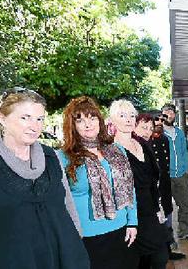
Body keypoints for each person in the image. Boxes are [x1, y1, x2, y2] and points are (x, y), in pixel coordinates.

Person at [0, 87, 89, 268]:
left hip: (65, 260)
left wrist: (76, 241)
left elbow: (68, 206)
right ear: (2, 118)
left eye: (39, 119)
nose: (35, 126)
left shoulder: (51, 157)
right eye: (25, 118)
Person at [58, 96, 139, 269]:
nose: (88, 124)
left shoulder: (116, 150)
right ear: (72, 125)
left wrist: (132, 222)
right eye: (80, 120)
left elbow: (129, 188)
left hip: (121, 230)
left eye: (92, 117)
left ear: (100, 121)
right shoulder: (63, 157)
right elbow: (60, 201)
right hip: (85, 236)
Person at [110, 101, 175, 268]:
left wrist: (158, 208)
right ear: (113, 119)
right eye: (122, 115)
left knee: (160, 256)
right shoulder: (110, 150)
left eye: (132, 115)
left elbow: (153, 181)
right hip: (128, 214)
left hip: (150, 210)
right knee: (139, 261)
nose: (128, 119)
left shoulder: (143, 145)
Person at [138, 113, 187, 261]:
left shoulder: (163, 139)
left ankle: (168, 248)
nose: (159, 122)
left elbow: (165, 165)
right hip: (153, 189)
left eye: (161, 120)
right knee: (156, 223)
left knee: (167, 216)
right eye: (156, 120)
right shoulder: (142, 143)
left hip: (164, 185)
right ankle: (158, 252)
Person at [162, 104, 188, 240]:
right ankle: (166, 236)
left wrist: (184, 169)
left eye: (172, 112)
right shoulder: (157, 133)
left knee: (185, 204)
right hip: (165, 177)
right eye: (166, 112)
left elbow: (184, 151)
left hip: (180, 176)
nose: (169, 114)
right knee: (165, 208)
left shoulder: (179, 133)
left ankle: (184, 231)